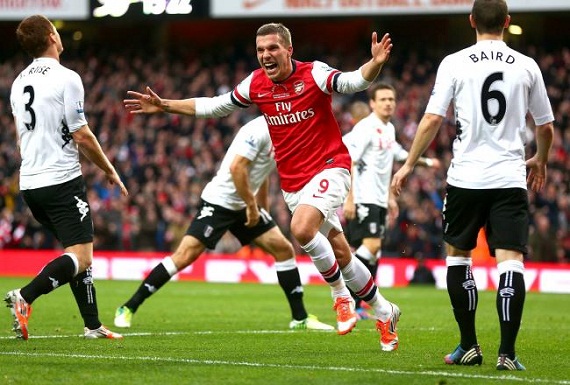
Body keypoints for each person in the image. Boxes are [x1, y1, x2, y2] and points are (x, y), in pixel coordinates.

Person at [124, 23, 401, 351]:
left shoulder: (313, 74)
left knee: (301, 229)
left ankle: (341, 296)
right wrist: (167, 104)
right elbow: (216, 105)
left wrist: (375, 64)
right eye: (260, 50)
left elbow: (352, 81)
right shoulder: (256, 83)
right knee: (341, 252)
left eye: (272, 48)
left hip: (330, 166)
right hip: (294, 183)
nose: (266, 55)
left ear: (288, 50)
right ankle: (385, 311)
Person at [391, 0, 554, 370]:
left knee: (458, 256)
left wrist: (409, 164)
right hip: (510, 178)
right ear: (508, 22)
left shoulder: (455, 62)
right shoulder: (527, 66)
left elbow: (433, 118)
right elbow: (545, 126)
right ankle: (508, 354)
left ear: (471, 22)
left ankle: (468, 345)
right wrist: (541, 159)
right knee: (510, 263)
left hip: (465, 177)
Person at [114, 116, 334, 331]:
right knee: (184, 256)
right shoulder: (257, 130)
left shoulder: (284, 132)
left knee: (284, 249)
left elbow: (263, 173)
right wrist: (251, 205)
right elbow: (236, 168)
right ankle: (127, 307)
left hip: (245, 203)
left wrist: (262, 208)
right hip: (219, 202)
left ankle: (300, 318)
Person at [5, 15, 128, 340]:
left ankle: (92, 325)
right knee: (83, 255)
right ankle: (25, 296)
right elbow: (82, 134)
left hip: (30, 183)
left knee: (75, 252)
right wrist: (108, 169)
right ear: (50, 36)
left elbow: (20, 139)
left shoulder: (18, 82)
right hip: (61, 180)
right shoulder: (66, 77)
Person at [342, 83, 440, 319]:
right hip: (363, 197)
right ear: (373, 104)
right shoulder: (366, 128)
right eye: (383, 99)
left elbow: (395, 158)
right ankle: (346, 294)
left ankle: (359, 303)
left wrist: (426, 163)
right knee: (372, 246)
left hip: (379, 199)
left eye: (391, 99)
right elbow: (349, 160)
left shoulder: (389, 129)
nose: (388, 103)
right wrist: (350, 198)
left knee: (374, 253)